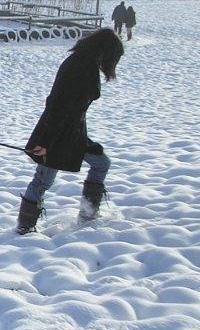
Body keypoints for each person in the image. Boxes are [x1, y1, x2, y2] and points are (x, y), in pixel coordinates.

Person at [16, 28, 124, 234]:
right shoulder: (78, 67)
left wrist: (86, 141)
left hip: (72, 135)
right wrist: (45, 142)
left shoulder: (85, 64)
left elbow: (75, 111)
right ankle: (24, 229)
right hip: (57, 136)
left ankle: (88, 215)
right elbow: (57, 106)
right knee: (42, 181)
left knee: (102, 163)